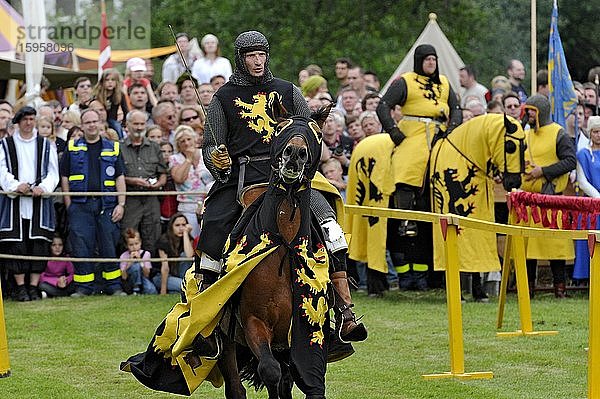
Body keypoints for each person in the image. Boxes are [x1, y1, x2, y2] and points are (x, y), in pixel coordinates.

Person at [198, 30, 366, 342]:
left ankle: (344, 311)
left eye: (261, 54)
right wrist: (216, 159)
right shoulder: (224, 97)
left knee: (330, 228)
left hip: (293, 175)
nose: (257, 61)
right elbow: (210, 144)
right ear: (241, 59)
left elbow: (310, 133)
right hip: (243, 177)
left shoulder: (288, 91)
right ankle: (207, 321)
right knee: (213, 227)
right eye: (251, 56)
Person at [376, 44, 461, 238]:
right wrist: (393, 130)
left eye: (434, 59)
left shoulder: (445, 83)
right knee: (407, 165)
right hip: (414, 132)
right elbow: (383, 105)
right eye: (427, 59)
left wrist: (453, 128)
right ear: (419, 61)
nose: (431, 63)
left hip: (441, 132)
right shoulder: (405, 81)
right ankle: (406, 220)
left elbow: (456, 108)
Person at [60, 108, 127, 296]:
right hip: (80, 206)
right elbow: (64, 177)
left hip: (107, 205)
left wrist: (121, 204)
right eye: (87, 122)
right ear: (82, 126)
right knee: (81, 245)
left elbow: (120, 177)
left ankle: (113, 286)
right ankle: (83, 287)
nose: (91, 125)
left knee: (109, 244)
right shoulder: (72, 147)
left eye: (94, 121)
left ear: (100, 123)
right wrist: (69, 204)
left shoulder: (112, 147)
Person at [0, 106, 59, 301]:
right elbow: (2, 170)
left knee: (38, 243)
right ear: (18, 122)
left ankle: (33, 286)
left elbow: (53, 172)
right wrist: (15, 186)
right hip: (15, 202)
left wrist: (43, 187)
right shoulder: (6, 144)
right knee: (16, 244)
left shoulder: (45, 144)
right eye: (25, 119)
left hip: (38, 202)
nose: (28, 123)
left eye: (32, 119)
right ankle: (20, 288)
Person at [521, 94, 576, 298]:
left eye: (531, 111)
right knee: (528, 246)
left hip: (551, 198)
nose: (528, 115)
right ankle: (528, 289)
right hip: (529, 200)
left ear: (541, 112)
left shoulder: (557, 133)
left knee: (555, 245)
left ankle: (559, 288)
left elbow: (570, 161)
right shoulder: (525, 135)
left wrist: (543, 171)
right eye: (527, 111)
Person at [120, 110, 167, 255]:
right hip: (130, 197)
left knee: (153, 233)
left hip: (151, 197)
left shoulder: (154, 147)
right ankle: (128, 269)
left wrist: (158, 184)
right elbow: (116, 176)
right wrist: (132, 180)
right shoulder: (118, 147)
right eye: (135, 124)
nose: (139, 127)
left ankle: (151, 271)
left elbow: (163, 173)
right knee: (128, 232)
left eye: (142, 124)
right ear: (127, 125)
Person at [169, 125, 214, 238]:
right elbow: (179, 179)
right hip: (188, 206)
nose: (186, 143)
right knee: (192, 237)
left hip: (208, 203)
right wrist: (188, 159)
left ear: (194, 139)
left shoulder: (206, 154)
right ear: (178, 144)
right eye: (182, 141)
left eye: (188, 139)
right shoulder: (175, 158)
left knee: (209, 237)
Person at [573, 116, 600, 281]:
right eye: (596, 132)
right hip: (592, 206)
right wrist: (598, 198)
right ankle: (590, 278)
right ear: (590, 133)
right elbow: (582, 182)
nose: (599, 135)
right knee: (591, 243)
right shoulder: (583, 154)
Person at [153, 212, 194, 295]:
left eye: (183, 225)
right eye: (177, 225)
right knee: (188, 286)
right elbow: (165, 268)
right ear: (171, 227)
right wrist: (163, 290)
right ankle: (178, 288)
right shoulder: (163, 241)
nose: (181, 228)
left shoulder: (187, 239)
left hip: (179, 275)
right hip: (161, 276)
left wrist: (186, 234)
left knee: (184, 255)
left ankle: (174, 290)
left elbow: (189, 256)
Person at [119, 227, 157, 295]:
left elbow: (147, 274)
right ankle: (136, 289)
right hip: (130, 280)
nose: (134, 247)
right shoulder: (123, 256)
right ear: (126, 245)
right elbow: (124, 277)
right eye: (131, 245)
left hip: (143, 278)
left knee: (151, 290)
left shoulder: (146, 254)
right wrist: (130, 262)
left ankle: (140, 289)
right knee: (135, 267)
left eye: (136, 244)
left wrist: (140, 261)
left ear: (140, 243)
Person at [93, 68, 128, 137]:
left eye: (112, 80)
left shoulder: (120, 94)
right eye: (107, 80)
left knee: (117, 127)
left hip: (112, 119)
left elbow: (125, 110)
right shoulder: (97, 94)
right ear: (102, 82)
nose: (110, 82)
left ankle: (120, 141)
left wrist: (123, 124)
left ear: (117, 82)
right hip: (99, 119)